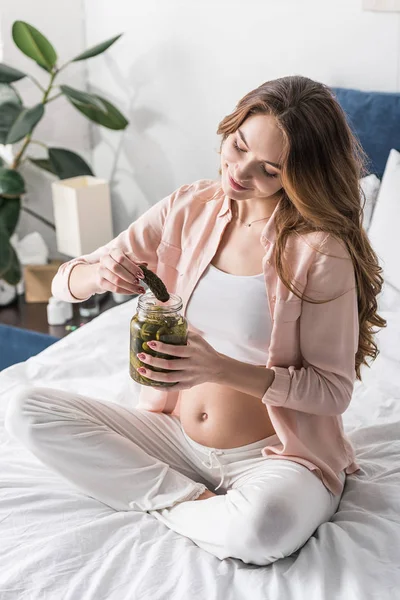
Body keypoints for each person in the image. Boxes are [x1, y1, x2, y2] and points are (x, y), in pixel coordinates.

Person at [5, 75, 386, 566]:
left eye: (269, 170)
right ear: (231, 126)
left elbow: (332, 391)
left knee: (260, 530)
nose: (240, 172)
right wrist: (99, 273)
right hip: (174, 439)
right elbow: (63, 282)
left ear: (299, 176)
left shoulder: (319, 251)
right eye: (238, 145)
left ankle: (176, 505)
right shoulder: (189, 207)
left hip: (277, 456)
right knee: (26, 410)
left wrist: (220, 368)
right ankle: (197, 504)